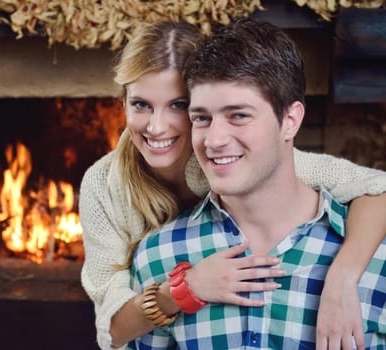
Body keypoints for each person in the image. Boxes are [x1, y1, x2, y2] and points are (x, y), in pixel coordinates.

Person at [79, 21, 386, 350]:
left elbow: (373, 187)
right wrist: (185, 289)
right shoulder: (107, 187)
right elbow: (112, 329)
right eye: (141, 104)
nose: (156, 127)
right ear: (123, 102)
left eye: (179, 106)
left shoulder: (245, 157)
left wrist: (344, 276)